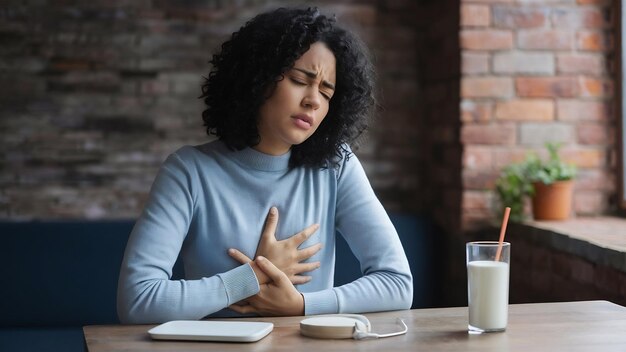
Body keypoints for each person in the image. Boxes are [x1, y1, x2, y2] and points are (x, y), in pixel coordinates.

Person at [117, 7, 412, 324]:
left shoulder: (336, 168)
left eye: (327, 92)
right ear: (257, 77)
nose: (313, 100)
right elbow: (137, 300)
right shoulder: (188, 171)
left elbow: (397, 284)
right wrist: (251, 277)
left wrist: (301, 305)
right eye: (301, 80)